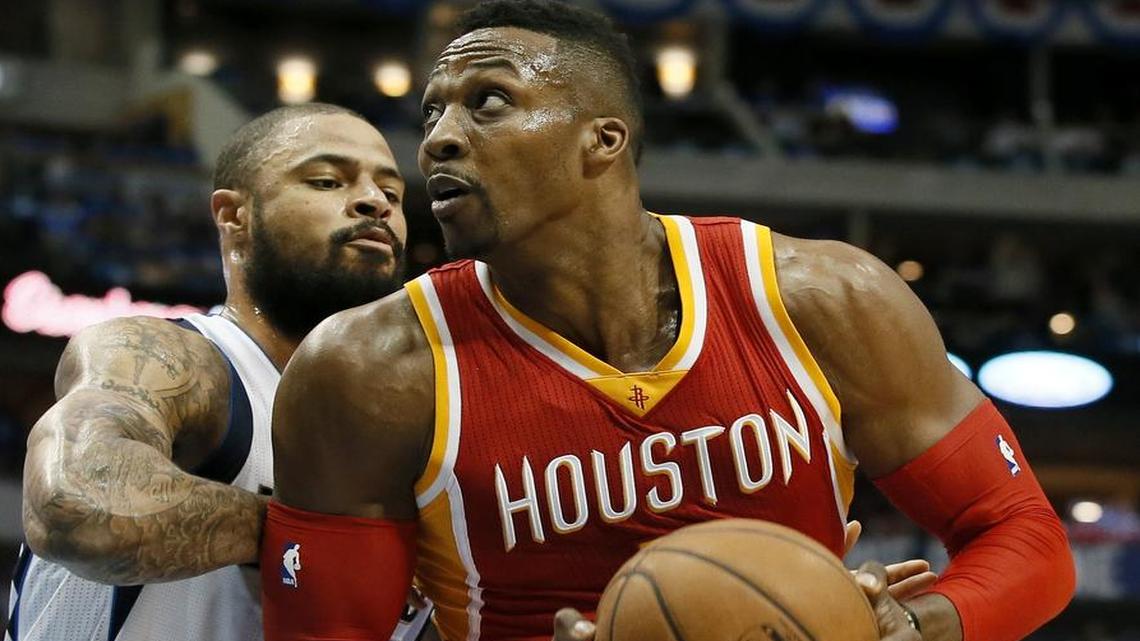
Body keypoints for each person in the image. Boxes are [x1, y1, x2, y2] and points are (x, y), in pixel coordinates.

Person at [261, 3, 1076, 641]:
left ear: (602, 140)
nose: (439, 138)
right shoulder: (367, 371)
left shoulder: (818, 298)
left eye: (489, 103)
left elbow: (1026, 539)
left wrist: (909, 624)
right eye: (433, 113)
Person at [11, 103, 433, 641]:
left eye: (393, 195)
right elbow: (74, 504)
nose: (375, 202)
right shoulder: (172, 355)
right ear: (235, 215)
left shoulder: (402, 433)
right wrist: (314, 534)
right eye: (328, 180)